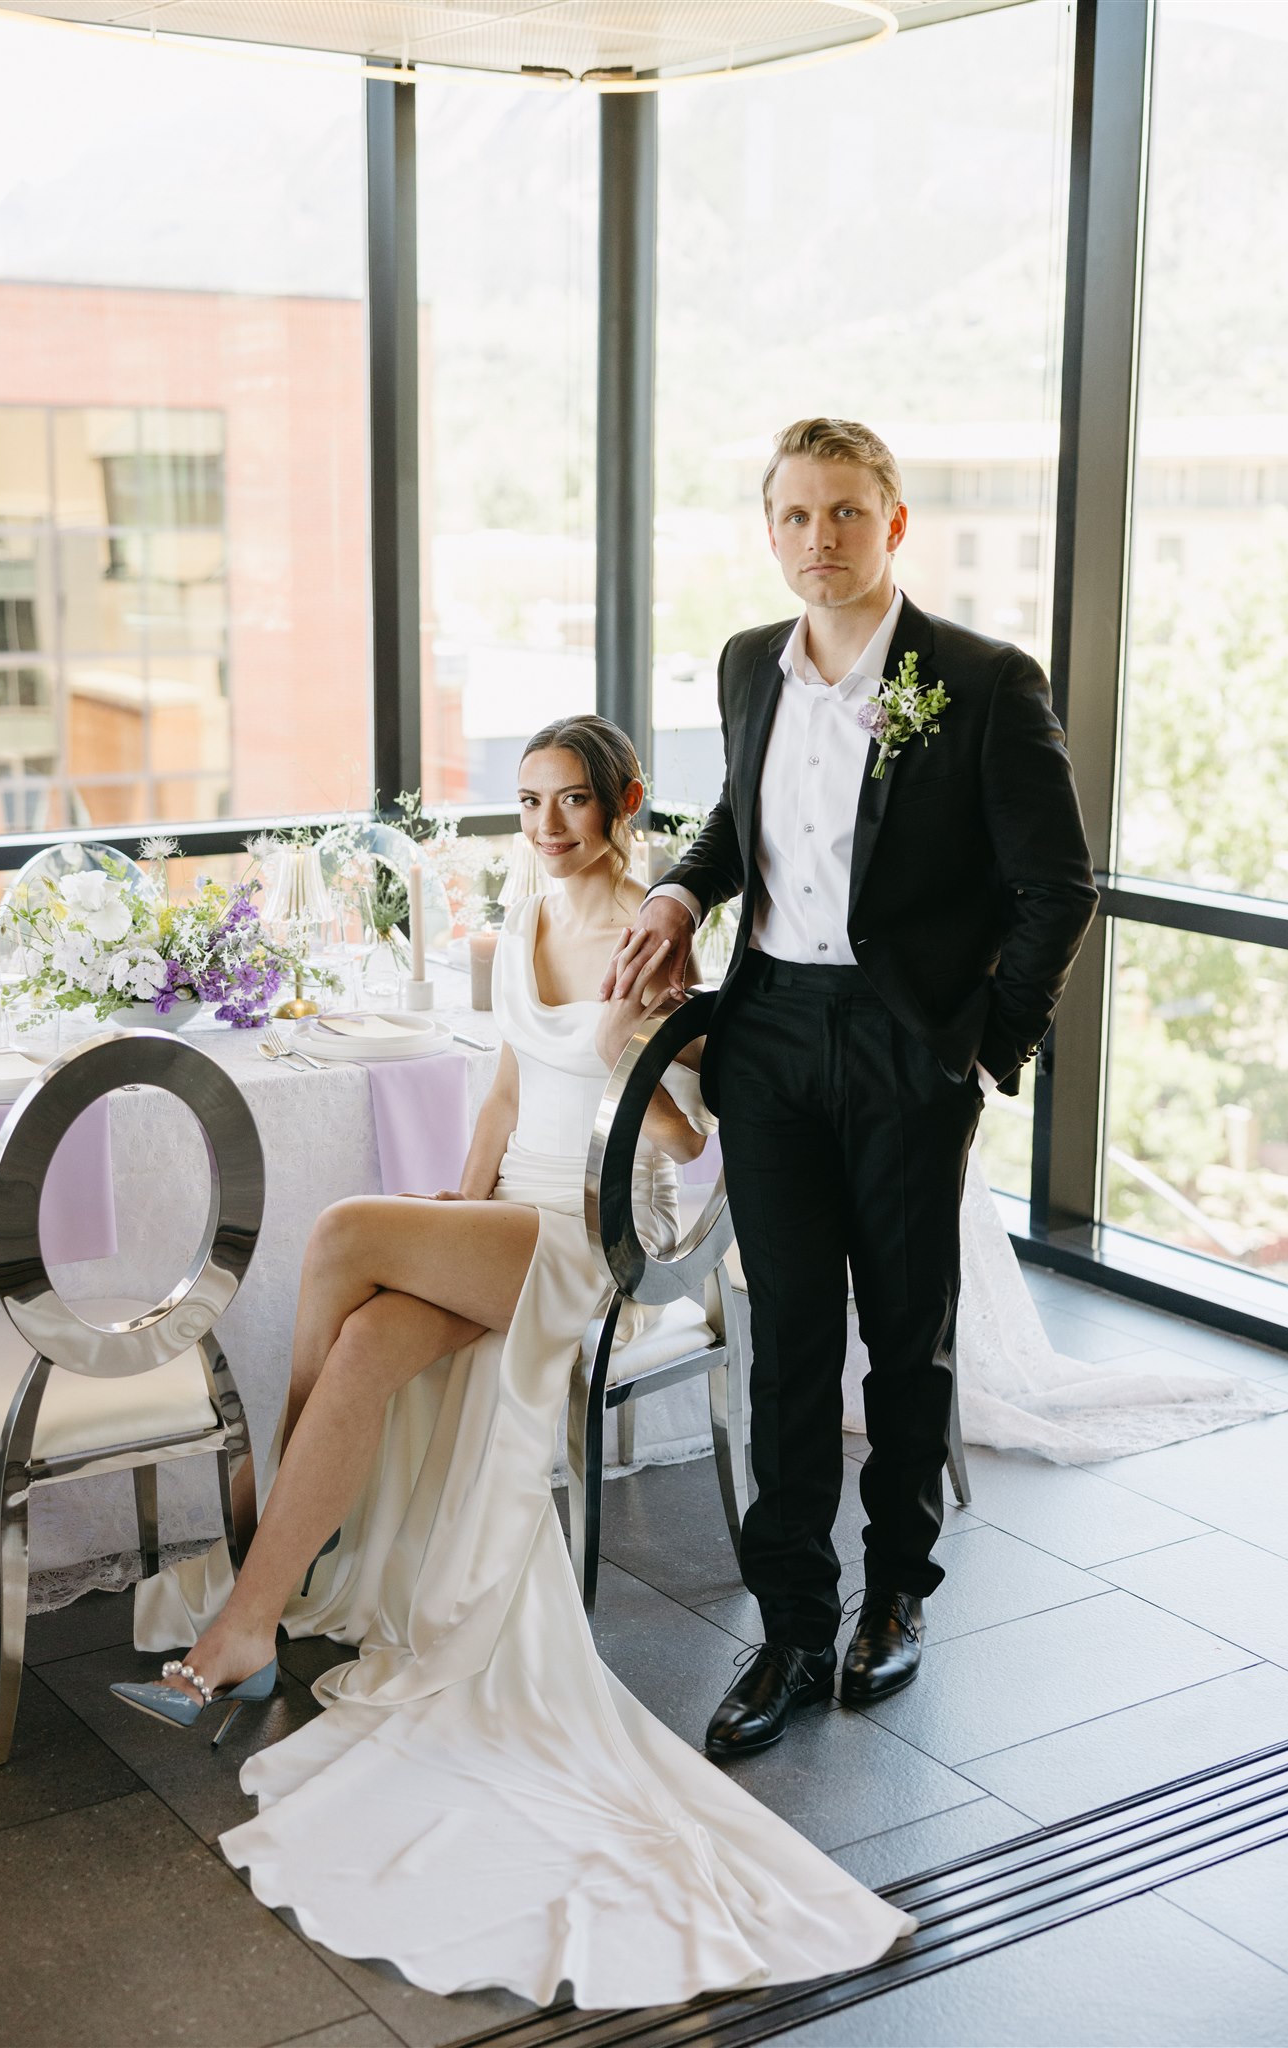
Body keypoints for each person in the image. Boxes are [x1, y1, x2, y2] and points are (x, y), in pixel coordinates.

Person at [114, 713, 914, 2009]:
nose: (546, 823)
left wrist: (632, 1067)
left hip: (594, 1231)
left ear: (620, 806)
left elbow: (690, 1139)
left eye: (571, 803)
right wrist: (450, 1210)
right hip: (508, 1220)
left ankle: (274, 1529)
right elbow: (494, 1099)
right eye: (531, 800)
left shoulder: (658, 945)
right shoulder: (514, 921)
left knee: (334, 1234)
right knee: (371, 1323)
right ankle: (253, 1623)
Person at [602, 416, 1099, 1759]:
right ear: (766, 529)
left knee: (904, 1333)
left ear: (890, 522)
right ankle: (793, 1628)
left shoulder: (983, 679)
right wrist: (671, 891)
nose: (815, 542)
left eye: (841, 514)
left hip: (902, 1047)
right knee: (785, 1351)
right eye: (791, 517)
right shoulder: (746, 663)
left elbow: (1057, 882)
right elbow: (736, 821)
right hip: (767, 1038)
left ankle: (894, 1595)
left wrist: (976, 1039)